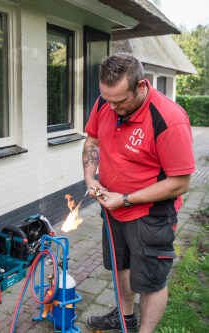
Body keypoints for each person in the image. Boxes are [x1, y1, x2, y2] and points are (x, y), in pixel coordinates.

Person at [82, 53, 195, 333]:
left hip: (150, 214)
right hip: (113, 207)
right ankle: (125, 320)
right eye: (107, 99)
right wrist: (89, 178)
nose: (111, 107)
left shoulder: (169, 119)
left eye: (119, 101)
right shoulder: (104, 104)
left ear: (141, 86)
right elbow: (92, 139)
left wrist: (127, 199)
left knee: (151, 281)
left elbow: (180, 183)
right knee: (122, 268)